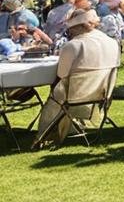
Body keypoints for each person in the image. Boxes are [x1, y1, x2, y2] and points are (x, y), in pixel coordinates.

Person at [31, 8, 119, 147]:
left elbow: (61, 75)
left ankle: (46, 134)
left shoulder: (73, 45)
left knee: (56, 93)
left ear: (78, 27)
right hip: (103, 95)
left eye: (71, 28)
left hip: (76, 98)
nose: (70, 32)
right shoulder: (112, 42)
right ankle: (68, 128)